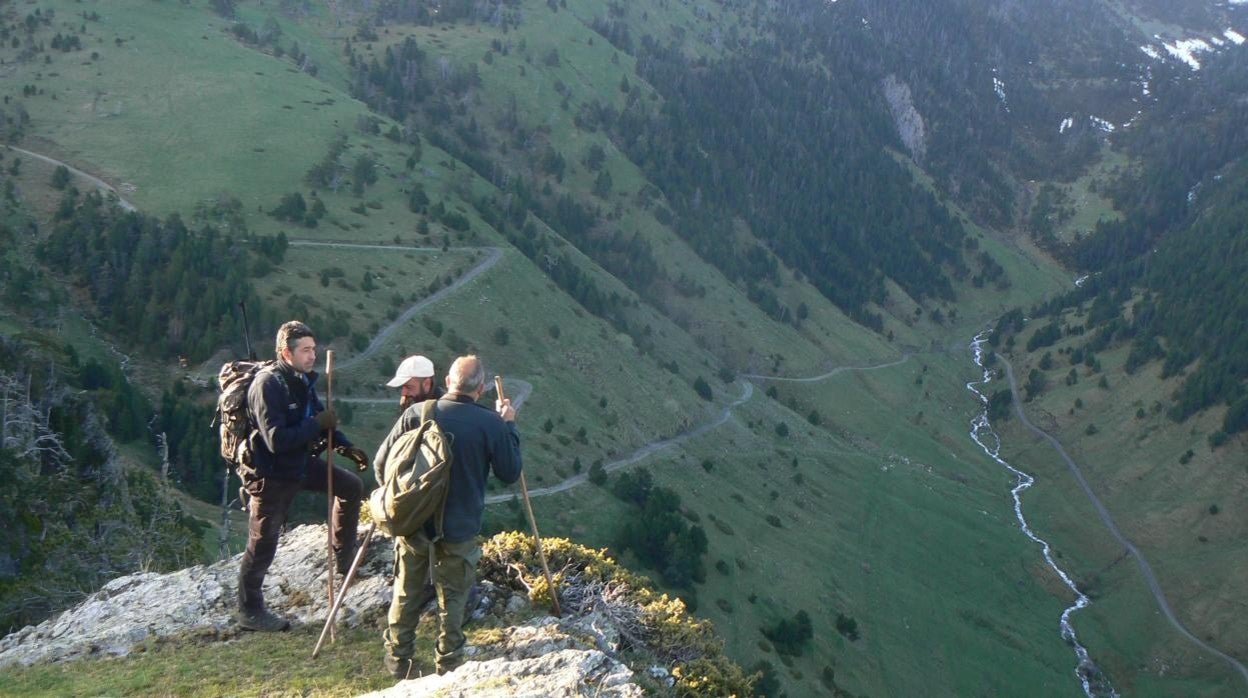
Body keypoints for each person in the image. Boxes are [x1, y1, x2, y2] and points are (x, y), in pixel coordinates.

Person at [374, 355, 522, 678]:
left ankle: (399, 660)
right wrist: (509, 424)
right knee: (453, 597)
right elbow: (510, 472)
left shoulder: (418, 412)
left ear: (449, 381)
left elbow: (380, 465)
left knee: (406, 590)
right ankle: (449, 663)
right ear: (480, 389)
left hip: (414, 523)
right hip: (459, 527)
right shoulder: (490, 424)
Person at [236, 320, 370, 632]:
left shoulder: (301, 380)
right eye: (306, 350)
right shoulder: (267, 385)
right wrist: (316, 424)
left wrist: (346, 447)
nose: (312, 356)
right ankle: (249, 610)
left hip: (298, 464)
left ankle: (344, 557)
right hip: (270, 474)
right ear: (286, 352)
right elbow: (276, 440)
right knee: (263, 541)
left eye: (313, 349)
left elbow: (323, 421)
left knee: (351, 486)